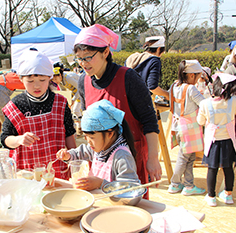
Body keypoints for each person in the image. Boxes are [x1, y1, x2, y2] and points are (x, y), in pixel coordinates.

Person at [74, 24, 161, 199]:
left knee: (130, 205)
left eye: (89, 57)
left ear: (105, 52)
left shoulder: (128, 77)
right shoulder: (83, 81)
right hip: (100, 163)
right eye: (79, 59)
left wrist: (153, 158)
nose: (84, 64)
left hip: (130, 158)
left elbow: (149, 121)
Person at [0, 48, 76, 180]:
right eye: (30, 81)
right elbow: (5, 139)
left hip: (56, 170)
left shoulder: (61, 103)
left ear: (50, 78)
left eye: (42, 80)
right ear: (21, 79)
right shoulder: (15, 105)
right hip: (26, 172)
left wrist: (73, 160)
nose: (37, 86)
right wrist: (19, 139)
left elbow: (69, 134)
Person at [56, 100, 139, 191]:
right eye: (85, 137)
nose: (88, 142)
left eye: (91, 137)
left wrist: (101, 183)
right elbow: (81, 152)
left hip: (114, 204)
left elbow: (131, 189)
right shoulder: (99, 148)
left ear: (109, 134)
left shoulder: (122, 157)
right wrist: (68, 155)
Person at [197, 73, 236, 206]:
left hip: (213, 142)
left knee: (212, 168)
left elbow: (200, 121)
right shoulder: (233, 101)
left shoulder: (205, 103)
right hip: (228, 140)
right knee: (228, 168)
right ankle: (228, 195)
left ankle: (211, 196)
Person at [168, 60, 206, 196]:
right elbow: (204, 104)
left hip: (177, 126)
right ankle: (174, 184)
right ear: (191, 75)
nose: (198, 79)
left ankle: (189, 184)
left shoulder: (174, 86)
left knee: (189, 157)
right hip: (189, 128)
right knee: (183, 157)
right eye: (198, 76)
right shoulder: (191, 88)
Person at [0, 72, 25, 148]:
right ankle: (7, 144)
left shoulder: (7, 75)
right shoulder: (17, 77)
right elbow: (30, 86)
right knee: (7, 121)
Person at [125, 36, 169, 100]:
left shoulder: (131, 58)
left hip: (126, 99)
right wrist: (167, 94)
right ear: (159, 49)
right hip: (142, 102)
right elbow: (152, 87)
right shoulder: (154, 60)